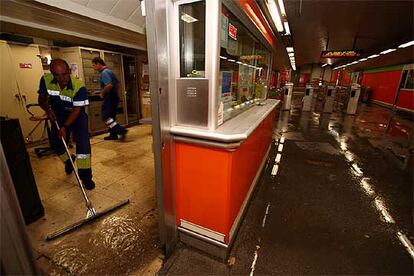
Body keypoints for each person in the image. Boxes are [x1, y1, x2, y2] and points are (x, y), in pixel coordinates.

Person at [38, 59, 95, 190]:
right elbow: (41, 100)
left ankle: (86, 177)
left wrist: (65, 127)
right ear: (52, 73)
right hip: (58, 115)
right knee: (56, 144)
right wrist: (48, 110)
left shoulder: (78, 86)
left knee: (83, 147)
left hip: (77, 117)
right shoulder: (46, 80)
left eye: (64, 74)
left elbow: (77, 110)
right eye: (56, 75)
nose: (61, 78)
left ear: (69, 71)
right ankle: (69, 161)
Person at [92, 57, 127, 140]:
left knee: (106, 117)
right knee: (112, 116)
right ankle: (113, 134)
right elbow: (115, 84)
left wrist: (102, 93)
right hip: (114, 96)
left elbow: (109, 85)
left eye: (94, 65)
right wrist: (100, 90)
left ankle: (121, 130)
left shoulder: (104, 72)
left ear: (98, 63)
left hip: (110, 97)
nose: (93, 67)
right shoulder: (109, 71)